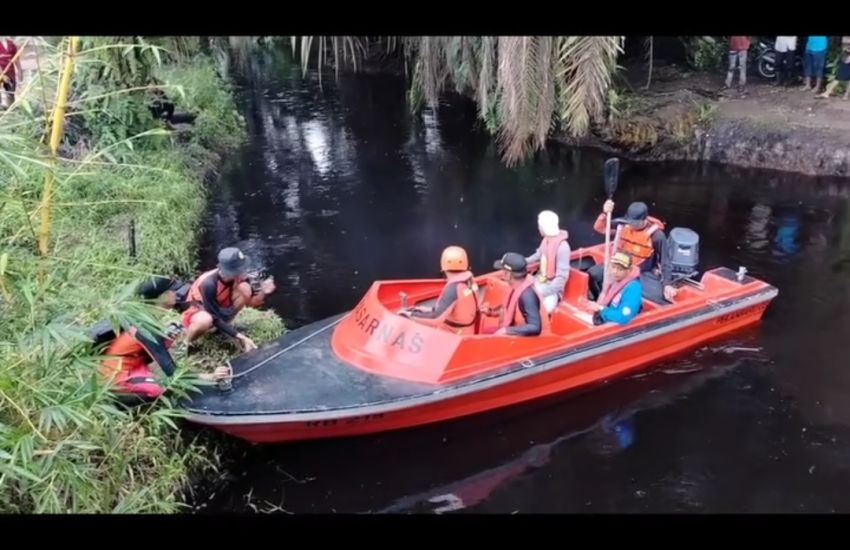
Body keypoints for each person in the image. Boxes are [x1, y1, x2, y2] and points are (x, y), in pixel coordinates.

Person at [99, 323, 229, 403]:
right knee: (158, 389)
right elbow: (172, 373)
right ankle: (123, 401)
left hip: (133, 365)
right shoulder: (145, 334)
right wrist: (210, 377)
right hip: (116, 376)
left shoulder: (142, 326)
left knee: (159, 381)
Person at [182, 247, 276, 352]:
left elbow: (250, 303)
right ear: (231, 272)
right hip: (200, 313)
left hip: (219, 310)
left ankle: (225, 328)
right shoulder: (209, 284)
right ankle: (186, 343)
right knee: (206, 319)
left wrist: (264, 292)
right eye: (241, 268)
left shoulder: (239, 278)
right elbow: (213, 317)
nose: (245, 270)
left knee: (245, 288)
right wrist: (240, 336)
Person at [589, 200, 676, 304]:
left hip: (642, 272)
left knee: (659, 297)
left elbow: (665, 261)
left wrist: (667, 284)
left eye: (635, 223)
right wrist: (604, 213)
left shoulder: (657, 236)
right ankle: (603, 300)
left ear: (644, 220)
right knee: (593, 274)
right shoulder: (623, 225)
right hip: (620, 265)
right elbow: (601, 228)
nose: (631, 225)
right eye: (630, 222)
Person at [402, 245, 480, 334]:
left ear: (443, 266)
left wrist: (409, 315)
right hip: (467, 330)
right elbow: (444, 308)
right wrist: (418, 310)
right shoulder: (470, 281)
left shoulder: (453, 289)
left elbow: (436, 318)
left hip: (454, 336)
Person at [481, 252, 548, 337]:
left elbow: (535, 327)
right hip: (516, 330)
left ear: (508, 274)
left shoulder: (527, 295)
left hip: (535, 342)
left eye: (503, 270)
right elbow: (507, 310)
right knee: (486, 332)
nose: (502, 273)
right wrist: (490, 312)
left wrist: (507, 330)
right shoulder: (514, 287)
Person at [524, 210, 570, 314]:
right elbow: (538, 255)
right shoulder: (546, 240)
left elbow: (561, 278)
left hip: (553, 289)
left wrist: (542, 292)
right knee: (523, 295)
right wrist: (524, 261)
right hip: (541, 280)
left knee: (545, 310)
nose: (538, 228)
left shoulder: (563, 247)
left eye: (540, 226)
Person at [585, 252, 642, 326]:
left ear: (629, 271)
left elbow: (623, 317)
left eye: (620, 269)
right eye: (613, 267)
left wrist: (600, 308)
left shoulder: (634, 289)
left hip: (615, 324)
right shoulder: (615, 280)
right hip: (605, 316)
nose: (614, 272)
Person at [0, 37, 22, 109]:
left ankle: (11, 111)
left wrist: (20, 71)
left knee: (11, 94)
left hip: (10, 73)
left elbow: (16, 59)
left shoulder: (11, 44)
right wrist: (2, 75)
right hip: (1, 72)